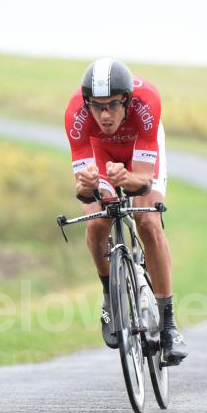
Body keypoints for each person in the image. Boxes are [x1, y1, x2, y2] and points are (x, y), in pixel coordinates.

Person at [63, 58, 187, 366]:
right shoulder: (76, 114)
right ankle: (110, 297)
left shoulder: (148, 102)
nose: (104, 115)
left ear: (127, 100)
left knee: (147, 220)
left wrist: (126, 179)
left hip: (139, 151)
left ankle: (169, 323)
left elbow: (143, 181)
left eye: (113, 105)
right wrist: (90, 186)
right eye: (97, 106)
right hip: (101, 154)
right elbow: (83, 192)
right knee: (96, 222)